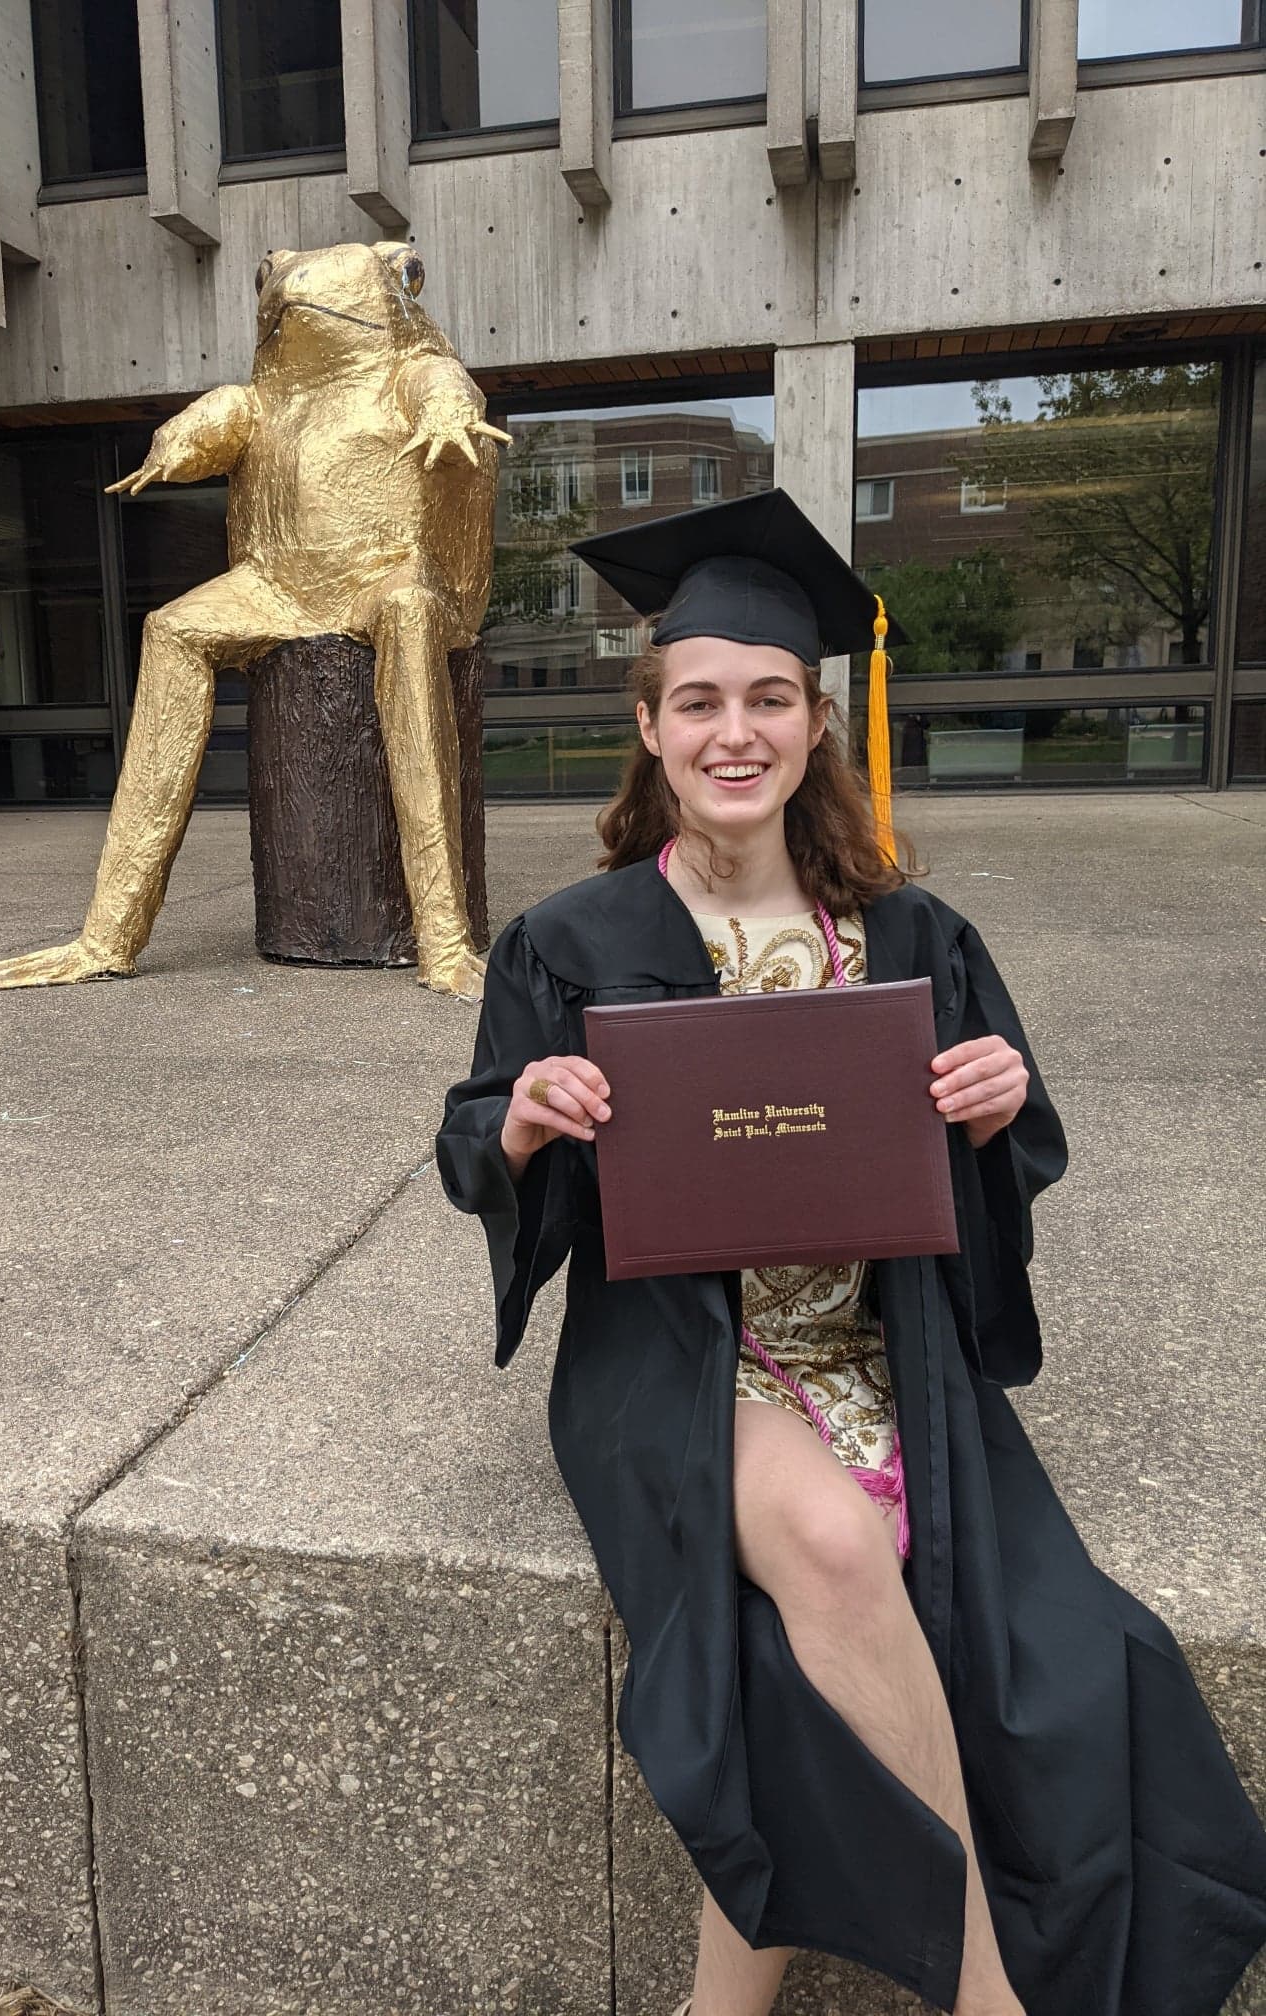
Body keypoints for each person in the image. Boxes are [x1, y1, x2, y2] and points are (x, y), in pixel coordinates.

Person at [436, 491, 1266, 2016]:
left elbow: (1003, 1148)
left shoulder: (910, 936)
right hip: (678, 1360)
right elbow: (469, 1145)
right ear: (650, 725)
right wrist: (527, 1121)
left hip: (889, 1352)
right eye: (699, 702)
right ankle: (986, 1995)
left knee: (1069, 1654)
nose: (732, 732)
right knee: (823, 1546)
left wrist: (996, 1107)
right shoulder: (569, 941)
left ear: (817, 727)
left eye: (768, 700)